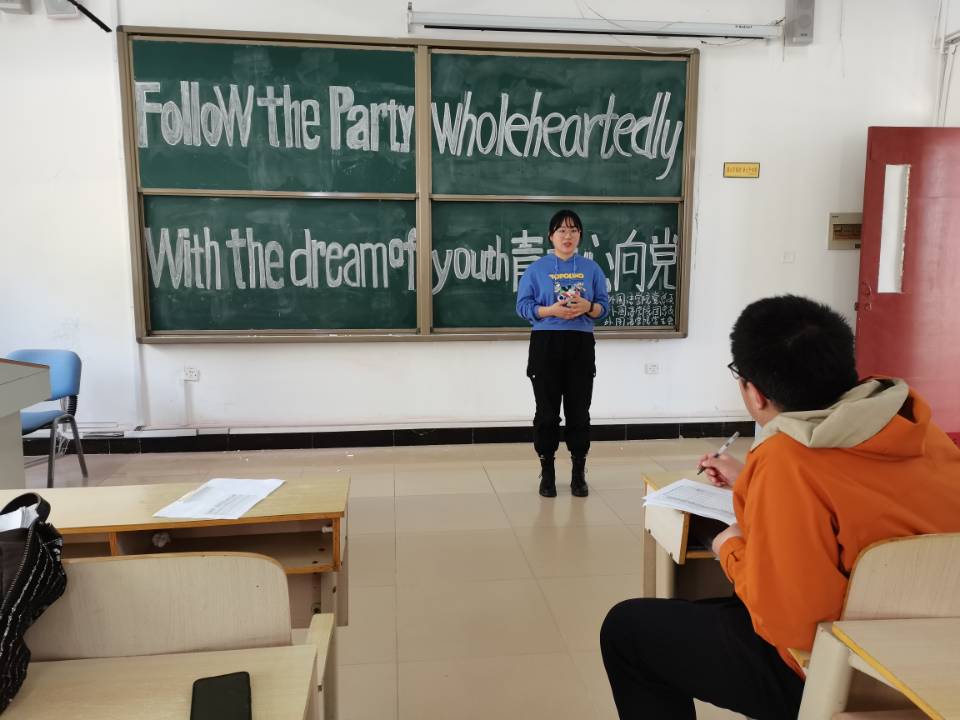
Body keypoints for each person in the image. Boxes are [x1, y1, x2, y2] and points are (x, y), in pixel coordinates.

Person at [600, 294, 960, 719]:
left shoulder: (786, 459)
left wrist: (728, 548)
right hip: (938, 661)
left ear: (755, 393)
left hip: (843, 674)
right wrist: (750, 482)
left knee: (627, 631)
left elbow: (793, 626)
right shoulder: (914, 424)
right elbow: (862, 499)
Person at [515, 209, 609, 498]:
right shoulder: (536, 269)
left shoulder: (592, 269)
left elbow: (605, 308)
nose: (567, 236)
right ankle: (548, 472)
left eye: (573, 230)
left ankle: (578, 472)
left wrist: (588, 307)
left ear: (580, 235)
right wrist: (550, 311)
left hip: (580, 345)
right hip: (546, 344)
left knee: (579, 412)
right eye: (561, 231)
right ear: (551, 236)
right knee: (547, 413)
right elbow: (522, 306)